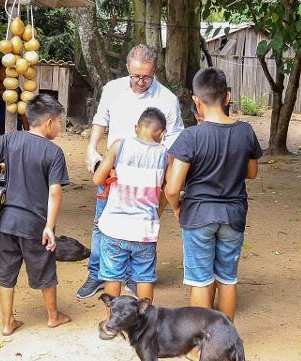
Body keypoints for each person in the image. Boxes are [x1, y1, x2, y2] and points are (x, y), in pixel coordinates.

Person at [77, 44, 185, 300]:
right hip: (113, 171)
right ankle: (96, 273)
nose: (140, 81)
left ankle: (135, 279)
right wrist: (91, 149)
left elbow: (175, 139)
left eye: (146, 76)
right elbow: (100, 121)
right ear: (127, 68)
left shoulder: (167, 99)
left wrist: (164, 175)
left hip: (149, 179)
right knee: (101, 224)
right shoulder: (113, 89)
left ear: (155, 71)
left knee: (145, 228)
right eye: (136, 75)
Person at [0, 94, 72, 336]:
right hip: (35, 223)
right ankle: (53, 317)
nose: (60, 126)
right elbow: (55, 193)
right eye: (59, 122)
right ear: (48, 123)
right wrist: (49, 227)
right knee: (45, 268)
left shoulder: (12, 138)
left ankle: (7, 323)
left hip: (7, 221)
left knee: (6, 269)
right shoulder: (54, 153)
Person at [165, 67, 263, 321]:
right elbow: (251, 173)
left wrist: (177, 208)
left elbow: (173, 187)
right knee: (227, 278)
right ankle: (226, 340)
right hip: (233, 215)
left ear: (197, 101)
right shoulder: (245, 132)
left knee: (200, 279)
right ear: (228, 97)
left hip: (198, 215)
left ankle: (201, 344)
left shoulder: (191, 136)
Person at [92, 108, 169, 339]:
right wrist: (158, 211)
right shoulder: (166, 154)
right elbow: (167, 190)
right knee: (144, 277)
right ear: (162, 133)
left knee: (113, 276)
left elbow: (98, 179)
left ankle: (111, 326)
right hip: (145, 230)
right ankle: (146, 326)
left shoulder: (119, 145)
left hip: (115, 227)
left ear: (137, 127)